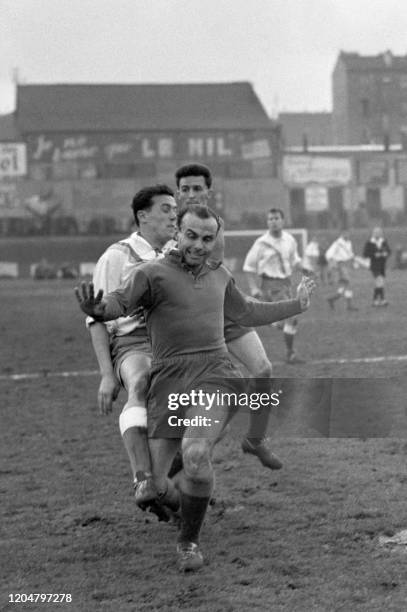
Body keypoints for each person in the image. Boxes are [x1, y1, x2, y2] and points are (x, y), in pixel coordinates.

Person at [75, 204, 315, 572]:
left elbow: (247, 311)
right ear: (177, 233)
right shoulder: (150, 273)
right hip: (168, 382)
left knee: (196, 453)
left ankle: (188, 542)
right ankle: (182, 505)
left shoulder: (219, 274)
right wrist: (101, 307)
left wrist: (295, 304)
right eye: (192, 236)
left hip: (215, 376)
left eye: (208, 238)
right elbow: (118, 302)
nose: (200, 245)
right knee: (157, 489)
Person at [174, 163, 281, 469]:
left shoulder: (215, 224)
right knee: (218, 391)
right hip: (192, 320)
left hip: (224, 311)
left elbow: (214, 276)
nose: (192, 194)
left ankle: (254, 440)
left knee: (262, 369)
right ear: (178, 193)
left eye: (198, 188)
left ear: (209, 191)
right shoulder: (174, 227)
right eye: (186, 189)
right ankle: (181, 456)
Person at [86, 184, 178, 514]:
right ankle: (143, 478)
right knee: (142, 382)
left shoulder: (176, 255)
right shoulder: (116, 257)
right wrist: (107, 376)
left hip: (176, 343)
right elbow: (96, 319)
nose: (173, 214)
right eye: (166, 208)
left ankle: (166, 483)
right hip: (134, 342)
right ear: (143, 216)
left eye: (174, 208)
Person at [243, 207, 306, 364]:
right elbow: (248, 267)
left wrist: (305, 269)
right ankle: (290, 354)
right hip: (270, 286)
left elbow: (294, 260)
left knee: (287, 321)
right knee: (292, 319)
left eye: (276, 218)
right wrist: (254, 288)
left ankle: (271, 322)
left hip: (286, 284)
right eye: (270, 219)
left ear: (282, 221)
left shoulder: (290, 240)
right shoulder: (261, 243)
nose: (273, 221)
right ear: (267, 222)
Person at [325, 229, 358, 311]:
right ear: (342, 234)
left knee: (343, 287)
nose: (347, 234)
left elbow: (350, 254)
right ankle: (349, 306)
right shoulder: (337, 243)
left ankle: (331, 299)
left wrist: (354, 263)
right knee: (349, 284)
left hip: (346, 264)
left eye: (348, 233)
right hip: (340, 265)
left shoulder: (349, 242)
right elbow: (329, 254)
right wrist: (333, 263)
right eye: (345, 233)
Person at [362, 226, 391, 307]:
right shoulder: (369, 242)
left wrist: (386, 254)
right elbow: (365, 254)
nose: (378, 234)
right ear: (373, 233)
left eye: (379, 232)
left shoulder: (384, 241)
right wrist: (374, 255)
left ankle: (379, 300)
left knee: (379, 283)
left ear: (381, 233)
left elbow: (389, 251)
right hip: (374, 265)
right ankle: (380, 300)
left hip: (382, 265)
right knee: (379, 280)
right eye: (376, 232)